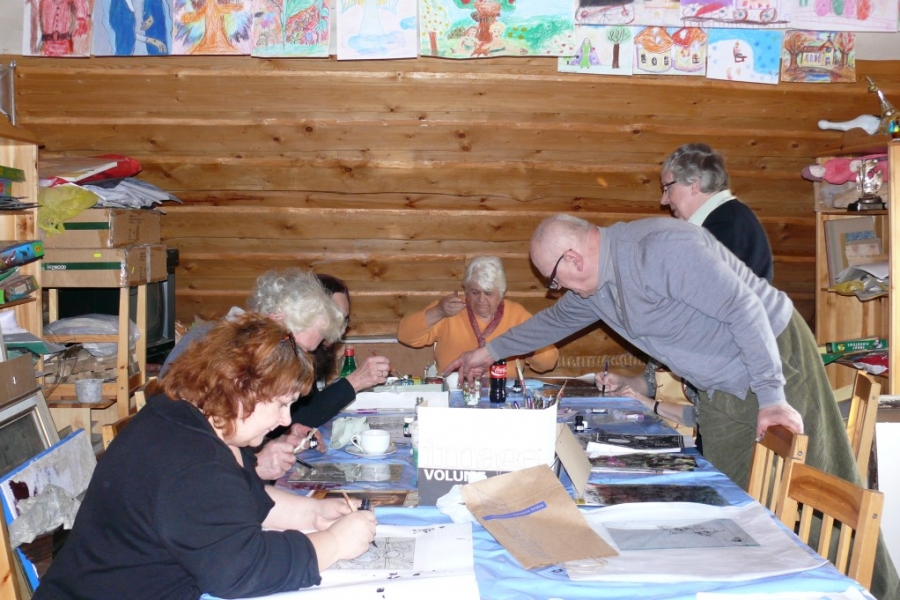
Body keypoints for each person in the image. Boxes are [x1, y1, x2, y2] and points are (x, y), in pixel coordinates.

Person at [446, 214, 898, 600]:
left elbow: (744, 309)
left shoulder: (661, 248)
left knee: (817, 492)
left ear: (574, 260)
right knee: (730, 508)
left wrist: (773, 395)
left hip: (772, 357)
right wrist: (488, 352)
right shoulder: (596, 286)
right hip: (719, 384)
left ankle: (873, 591)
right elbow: (556, 320)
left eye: (554, 278)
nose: (557, 288)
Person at [34, 314, 377, 600]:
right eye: (281, 404)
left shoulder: (190, 418)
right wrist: (333, 543)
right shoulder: (192, 462)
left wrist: (312, 512)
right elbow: (240, 570)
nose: (286, 420)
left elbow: (236, 500)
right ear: (241, 389)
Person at [602, 143, 774, 433]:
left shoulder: (724, 228)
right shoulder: (728, 221)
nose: (663, 200)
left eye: (667, 188)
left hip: (732, 391)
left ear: (694, 184)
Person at [161, 269, 392, 480]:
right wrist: (257, 463)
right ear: (275, 320)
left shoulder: (254, 349)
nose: (301, 360)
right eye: (299, 349)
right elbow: (195, 456)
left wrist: (277, 438)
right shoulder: (220, 356)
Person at [397, 255, 558, 374]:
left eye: (488, 293)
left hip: (501, 392)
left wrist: (524, 344)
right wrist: (438, 311)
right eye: (475, 292)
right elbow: (405, 336)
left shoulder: (517, 315)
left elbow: (549, 362)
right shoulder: (450, 308)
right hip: (453, 390)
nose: (481, 300)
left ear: (502, 293)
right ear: (465, 290)